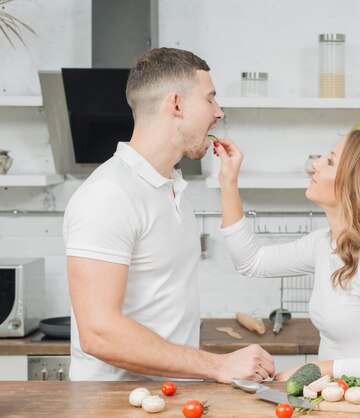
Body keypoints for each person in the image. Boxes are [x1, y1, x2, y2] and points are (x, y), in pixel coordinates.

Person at [63, 47, 274, 382]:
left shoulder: (172, 186)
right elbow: (98, 332)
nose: (218, 113)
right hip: (114, 406)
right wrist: (217, 366)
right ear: (176, 104)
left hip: (167, 398)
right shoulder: (108, 195)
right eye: (210, 99)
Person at [215, 129, 360, 382]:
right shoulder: (326, 243)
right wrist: (228, 182)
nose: (316, 164)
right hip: (336, 400)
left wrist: (316, 370)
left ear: (357, 183)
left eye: (330, 161)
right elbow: (251, 261)